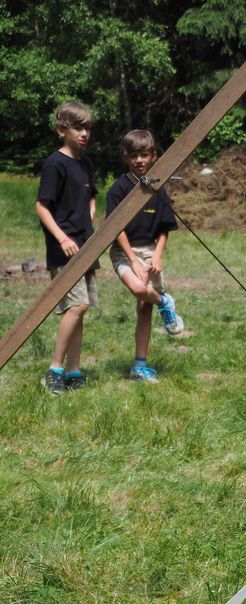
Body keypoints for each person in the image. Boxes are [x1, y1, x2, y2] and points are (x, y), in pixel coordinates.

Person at [106, 129, 183, 382]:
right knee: (139, 289)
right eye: (134, 155)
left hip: (150, 250)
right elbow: (115, 228)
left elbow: (164, 228)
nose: (139, 160)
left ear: (153, 156)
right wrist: (133, 260)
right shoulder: (118, 189)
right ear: (125, 157)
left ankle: (139, 365)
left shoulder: (158, 189)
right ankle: (165, 302)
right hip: (123, 251)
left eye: (144, 155)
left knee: (143, 307)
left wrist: (157, 256)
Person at [36, 101, 98, 394]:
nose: (84, 133)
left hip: (86, 245)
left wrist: (91, 213)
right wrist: (62, 238)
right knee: (77, 305)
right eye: (78, 128)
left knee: (80, 310)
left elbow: (91, 196)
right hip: (64, 249)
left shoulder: (85, 164)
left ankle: (73, 371)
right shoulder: (54, 164)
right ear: (62, 130)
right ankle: (54, 370)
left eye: (87, 128)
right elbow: (41, 207)